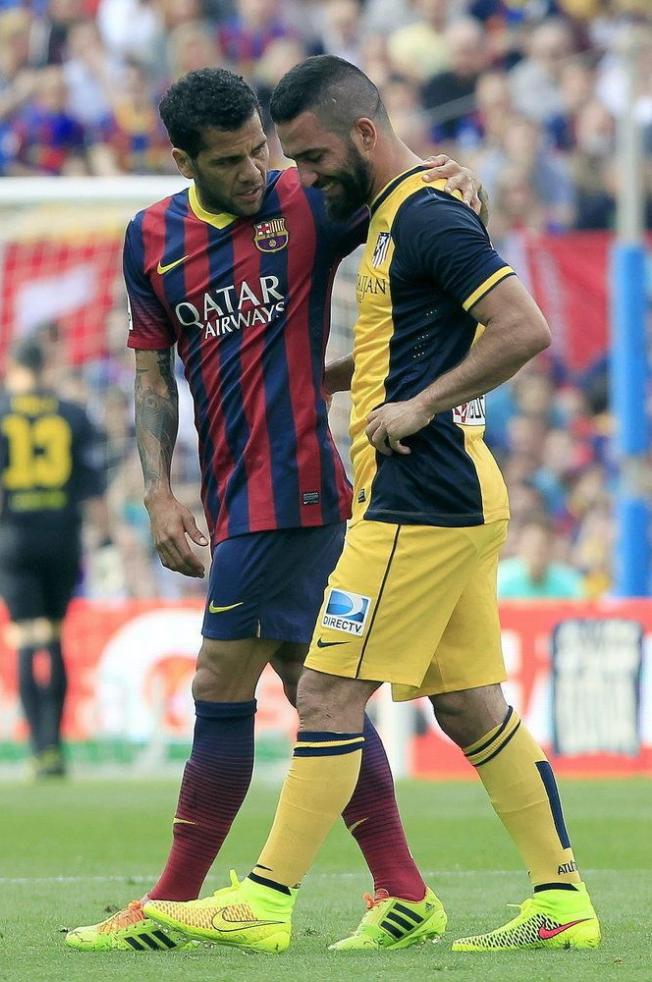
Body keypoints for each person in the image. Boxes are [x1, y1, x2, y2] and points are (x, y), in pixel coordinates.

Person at [142, 56, 601, 954]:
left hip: (417, 498)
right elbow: (410, 349)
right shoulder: (394, 214)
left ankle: (267, 898)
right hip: (459, 488)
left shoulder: (424, 213)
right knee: (469, 706)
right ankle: (564, 899)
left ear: (360, 133)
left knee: (326, 690)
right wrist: (329, 381)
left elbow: (525, 328)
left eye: (309, 158)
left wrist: (420, 407)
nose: (299, 179)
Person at [66, 67, 485, 953]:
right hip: (229, 488)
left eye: (262, 146)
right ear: (186, 160)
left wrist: (453, 179)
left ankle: (171, 901)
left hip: (292, 487)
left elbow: (405, 193)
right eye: (233, 160)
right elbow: (151, 374)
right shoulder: (150, 239)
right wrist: (156, 488)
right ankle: (402, 889)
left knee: (220, 682)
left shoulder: (307, 201)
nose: (258, 168)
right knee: (310, 687)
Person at [0, 338, 112, 777]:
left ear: (10, 367)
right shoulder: (74, 415)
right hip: (62, 538)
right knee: (56, 638)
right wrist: (114, 535)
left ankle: (36, 749)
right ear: (46, 368)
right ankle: (55, 747)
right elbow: (94, 488)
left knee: (24, 637)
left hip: (15, 538)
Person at [498, 518, 585, 599]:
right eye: (531, 542)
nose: (537, 549)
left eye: (543, 543)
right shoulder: (500, 579)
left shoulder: (570, 582)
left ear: (552, 546)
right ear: (519, 544)